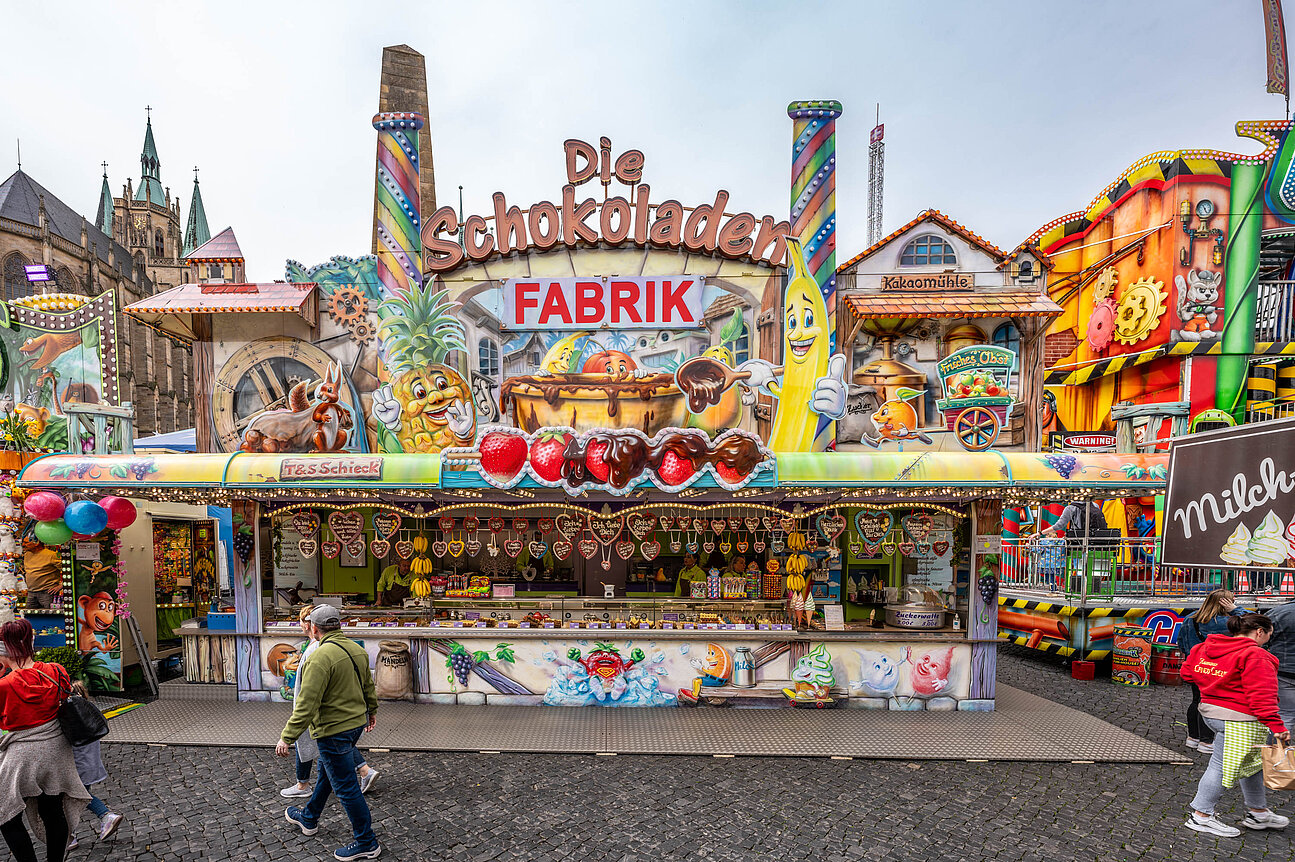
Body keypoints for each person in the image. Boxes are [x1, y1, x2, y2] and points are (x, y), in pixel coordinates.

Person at [276, 605, 381, 861]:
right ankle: (309, 818)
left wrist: (287, 737)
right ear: (339, 624)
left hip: (333, 730)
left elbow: (306, 704)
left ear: (314, 628)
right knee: (327, 772)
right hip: (355, 724)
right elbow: (368, 685)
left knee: (346, 788)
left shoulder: (318, 657)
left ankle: (366, 841)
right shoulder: (356, 649)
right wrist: (372, 711)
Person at [1180, 613, 1290, 837]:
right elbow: (1263, 696)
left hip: (1211, 713)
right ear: (1259, 632)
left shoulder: (1205, 647)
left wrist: (1216, 683)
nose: (1269, 639)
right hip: (1240, 718)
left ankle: (1258, 811)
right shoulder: (1256, 655)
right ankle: (1201, 815)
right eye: (1269, 634)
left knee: (1253, 763)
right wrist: (1277, 727)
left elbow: (1187, 673)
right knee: (1220, 766)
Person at [0, 618, 89, 862]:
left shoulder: (4, 685)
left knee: (6, 816)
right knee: (52, 811)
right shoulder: (56, 670)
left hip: (22, 755)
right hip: (57, 750)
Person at [1175, 590, 1248, 754]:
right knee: (1209, 703)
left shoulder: (1190, 618)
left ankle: (1193, 738)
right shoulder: (1229, 622)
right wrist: (1235, 609)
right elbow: (1254, 623)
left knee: (1196, 700)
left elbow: (1181, 642)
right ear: (1226, 603)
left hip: (1196, 665)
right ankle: (1206, 742)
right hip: (1218, 669)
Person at [66, 682, 123, 849]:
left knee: (76, 799)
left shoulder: (72, 718)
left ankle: (104, 816)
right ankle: (70, 835)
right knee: (77, 798)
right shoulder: (90, 713)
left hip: (77, 768)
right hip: (90, 766)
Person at [1268, 598, 1295, 734]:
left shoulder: (1278, 613)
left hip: (1283, 671)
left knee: (1284, 715)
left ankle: (1276, 752)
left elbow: (1262, 636)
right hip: (1283, 670)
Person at [21, 537, 63, 610]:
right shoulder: (27, 554)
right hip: (31, 592)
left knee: (50, 616)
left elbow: (68, 569)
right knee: (29, 617)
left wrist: (61, 585)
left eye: (26, 542)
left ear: (36, 543)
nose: (23, 544)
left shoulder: (51, 555)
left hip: (47, 592)